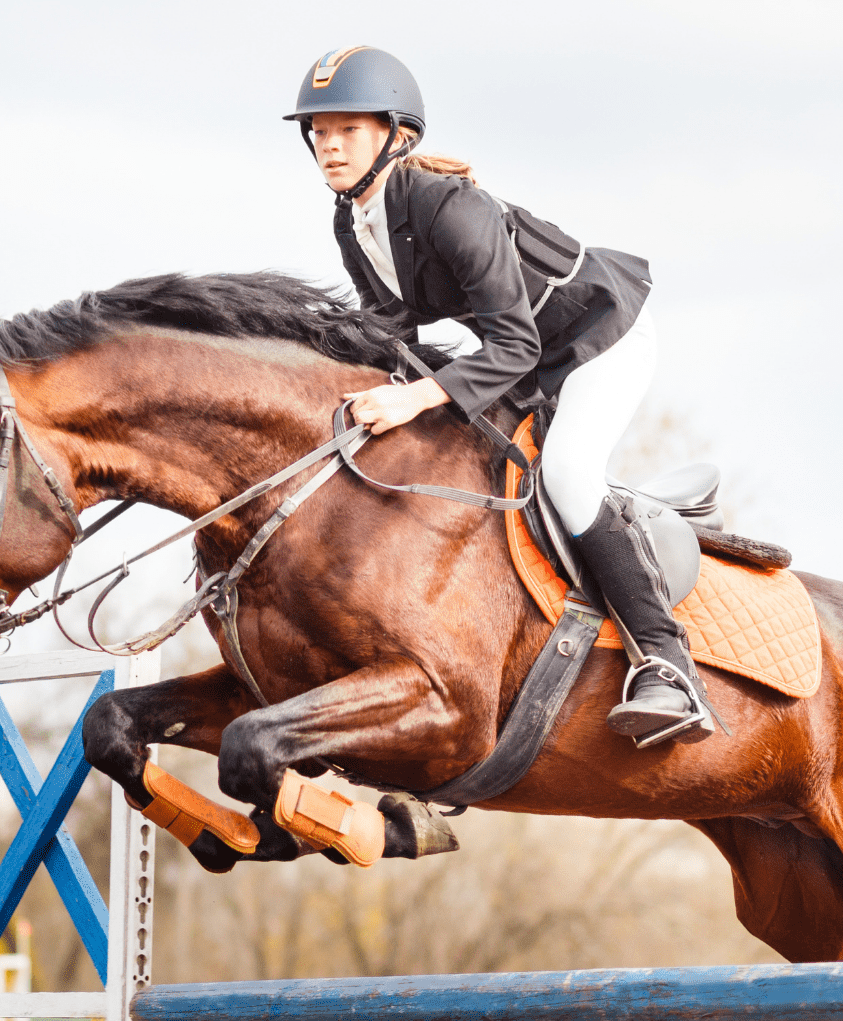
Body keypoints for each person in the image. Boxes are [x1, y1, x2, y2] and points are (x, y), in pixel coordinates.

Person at [286, 46, 710, 745]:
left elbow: (514, 345)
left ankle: (667, 661)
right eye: (318, 132)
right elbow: (392, 335)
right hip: (531, 354)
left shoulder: (449, 206)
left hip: (603, 336)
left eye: (347, 130)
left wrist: (415, 399)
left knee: (568, 476)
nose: (328, 146)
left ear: (397, 135)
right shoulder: (353, 220)